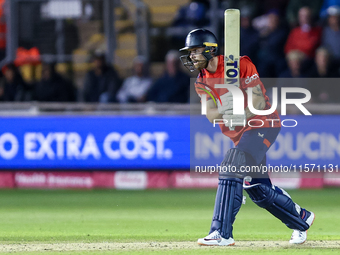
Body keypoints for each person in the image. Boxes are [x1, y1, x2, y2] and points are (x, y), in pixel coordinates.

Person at [179, 28, 315, 246]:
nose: (192, 57)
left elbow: (259, 102)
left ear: (209, 50)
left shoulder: (239, 64)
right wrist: (227, 108)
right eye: (190, 52)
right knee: (257, 189)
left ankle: (221, 232)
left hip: (263, 123)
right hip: (240, 134)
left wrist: (241, 110)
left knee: (232, 163)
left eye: (195, 51)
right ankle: (301, 219)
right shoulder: (201, 82)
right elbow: (211, 115)